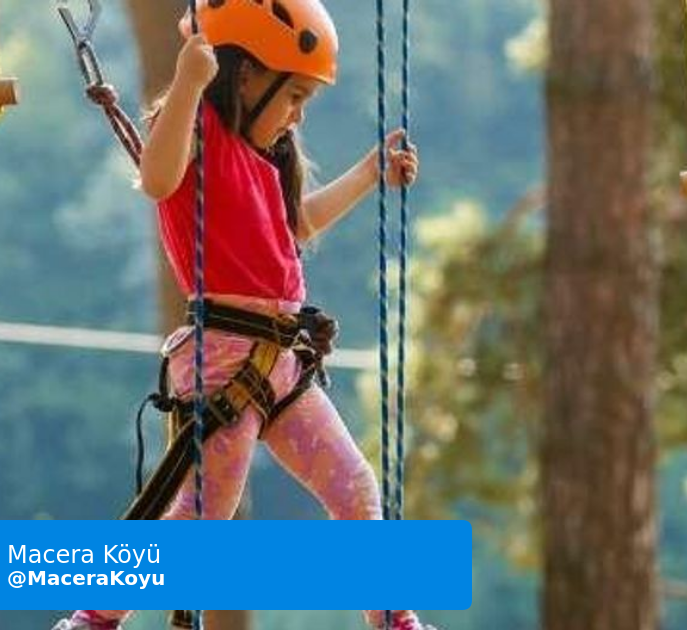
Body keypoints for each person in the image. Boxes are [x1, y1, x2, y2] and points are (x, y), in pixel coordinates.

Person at [52, 0, 429, 628]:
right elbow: (156, 178)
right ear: (248, 75)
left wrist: (371, 173)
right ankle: (94, 617)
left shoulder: (264, 162)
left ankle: (395, 619)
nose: (297, 115)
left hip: (281, 363)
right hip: (224, 362)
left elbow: (297, 226)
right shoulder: (197, 131)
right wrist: (189, 82)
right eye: (294, 96)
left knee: (355, 486)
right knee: (202, 518)